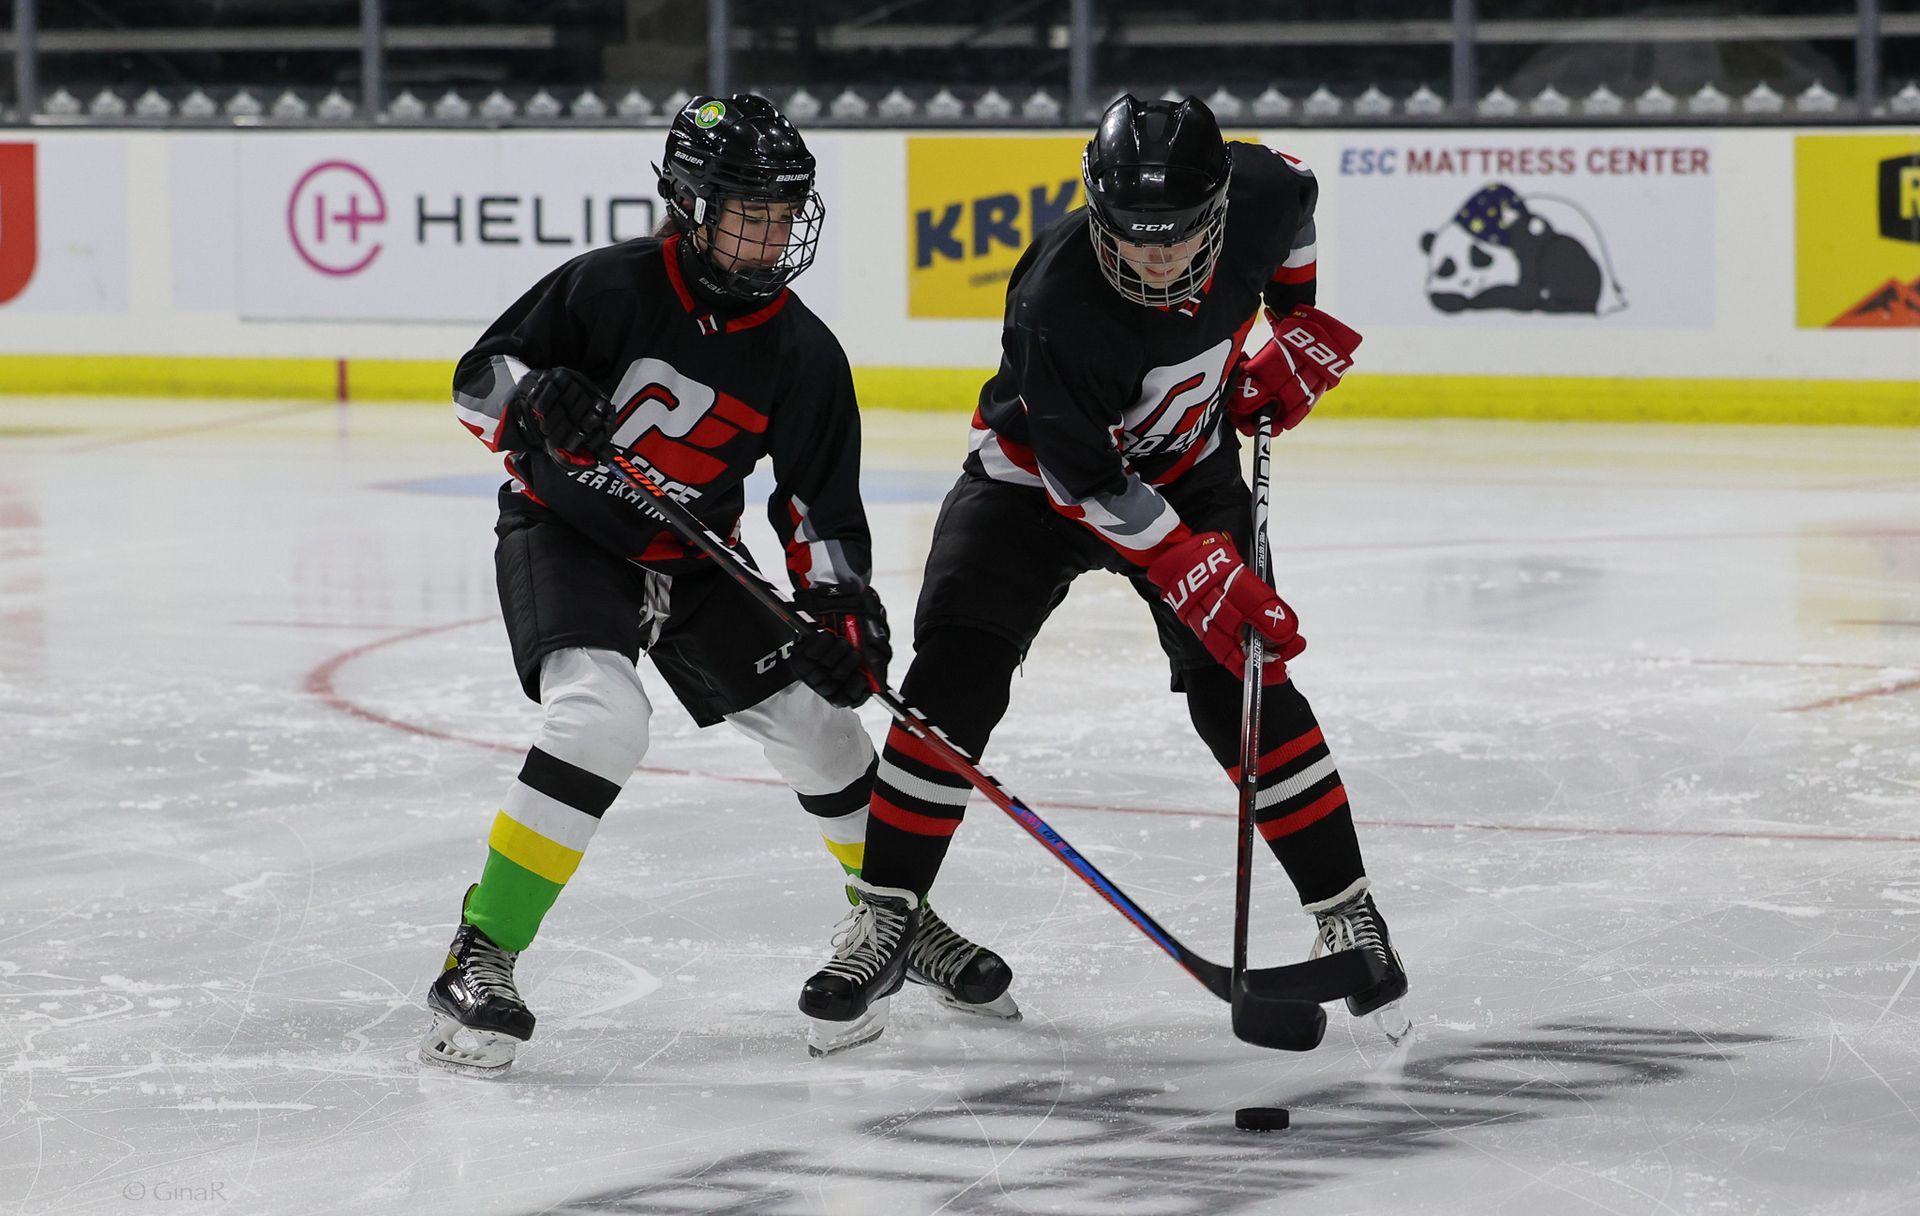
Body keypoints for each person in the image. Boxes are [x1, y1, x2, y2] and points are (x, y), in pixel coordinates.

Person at [798, 94, 1409, 1048]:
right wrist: (1186, 561)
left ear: (1218, 207)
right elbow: (1082, 478)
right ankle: (886, 918)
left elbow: (1298, 196)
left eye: (1179, 234)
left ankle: (1347, 910)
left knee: (1242, 681)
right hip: (1033, 484)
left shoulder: (1259, 192)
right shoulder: (1057, 296)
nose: (1155, 259)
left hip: (1190, 468)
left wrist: (1294, 321)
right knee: (955, 673)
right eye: (1132, 234)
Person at [421, 94, 1016, 1074]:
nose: (771, 235)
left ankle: (894, 920)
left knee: (825, 731)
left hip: (697, 556)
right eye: (750, 213)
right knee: (600, 720)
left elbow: (817, 511)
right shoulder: (608, 285)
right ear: (692, 206)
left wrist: (842, 611)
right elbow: (476, 379)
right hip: (569, 534)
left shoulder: (804, 351)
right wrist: (533, 399)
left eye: (784, 215)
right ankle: (478, 954)